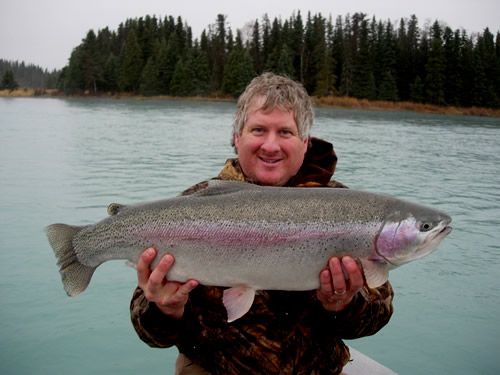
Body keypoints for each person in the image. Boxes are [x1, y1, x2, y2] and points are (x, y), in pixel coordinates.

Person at [130, 73, 394, 374]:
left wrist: (343, 304)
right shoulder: (193, 207)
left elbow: (378, 316)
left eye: (285, 132)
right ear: (236, 136)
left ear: (305, 142)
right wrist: (165, 309)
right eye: (258, 129)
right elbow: (148, 331)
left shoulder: (346, 208)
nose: (271, 145)